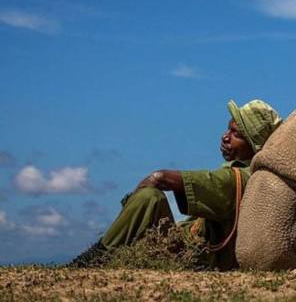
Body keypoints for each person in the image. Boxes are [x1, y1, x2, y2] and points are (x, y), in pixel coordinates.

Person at [69, 99, 282, 270]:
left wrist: (155, 181)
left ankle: (92, 261)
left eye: (236, 134)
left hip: (195, 259)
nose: (225, 137)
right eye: (228, 130)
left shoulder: (241, 178)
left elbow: (161, 178)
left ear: (254, 146)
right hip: (186, 248)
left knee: (149, 198)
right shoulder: (249, 175)